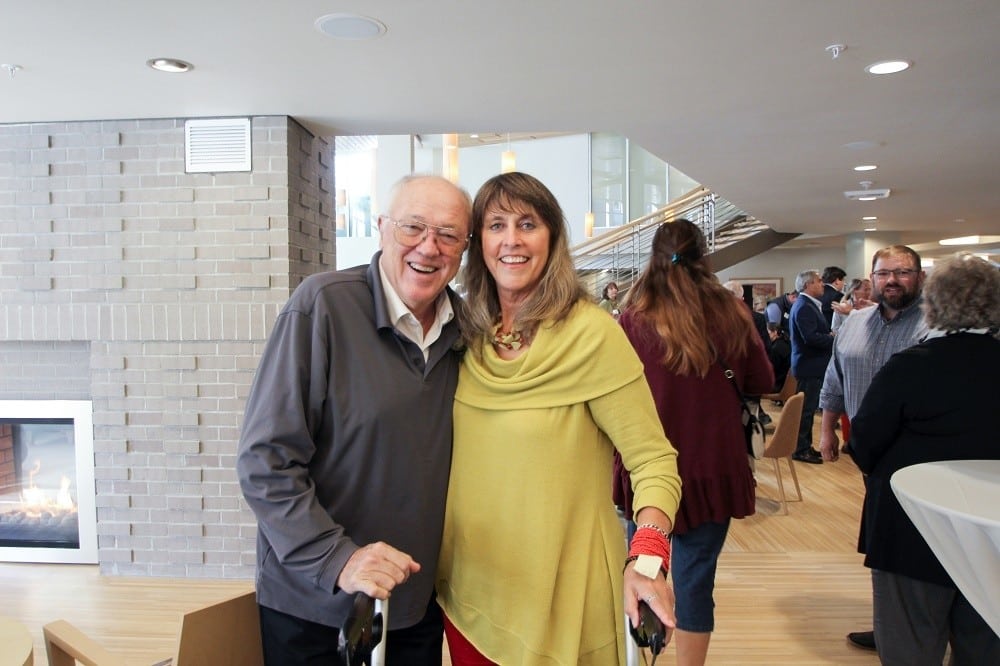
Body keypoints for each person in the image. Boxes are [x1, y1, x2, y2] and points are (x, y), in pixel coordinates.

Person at [435, 172, 682, 665]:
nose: (511, 239)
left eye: (527, 223)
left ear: (551, 238)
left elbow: (654, 461)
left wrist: (649, 560)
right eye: (496, 224)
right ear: (477, 241)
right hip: (471, 591)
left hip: (566, 595)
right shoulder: (465, 335)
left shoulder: (591, 335)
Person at [236, 174, 472, 665]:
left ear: (464, 249)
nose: (428, 247)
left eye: (448, 234)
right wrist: (339, 558)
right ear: (382, 228)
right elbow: (265, 462)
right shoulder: (322, 306)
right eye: (413, 227)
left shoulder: (468, 332)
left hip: (412, 607)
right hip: (313, 607)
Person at [622, 223, 773, 666]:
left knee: (646, 568)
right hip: (714, 467)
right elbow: (762, 380)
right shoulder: (732, 312)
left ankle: (644, 657)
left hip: (647, 471)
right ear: (703, 256)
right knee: (696, 579)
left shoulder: (631, 319)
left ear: (653, 258)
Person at [848, 252, 1000, 665]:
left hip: (912, 528)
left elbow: (864, 442)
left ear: (933, 305)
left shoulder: (911, 368)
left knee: (910, 646)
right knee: (985, 645)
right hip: (990, 534)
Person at [818, 245, 929, 652]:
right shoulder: (856, 322)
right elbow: (835, 377)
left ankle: (922, 631)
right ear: (872, 278)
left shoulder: (934, 326)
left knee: (920, 545)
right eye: (884, 274)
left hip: (921, 453)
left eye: (902, 272)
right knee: (883, 542)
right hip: (868, 453)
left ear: (919, 277)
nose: (892, 281)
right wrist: (827, 430)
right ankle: (891, 628)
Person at [788, 269, 833, 464]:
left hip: (811, 365)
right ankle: (800, 449)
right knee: (805, 410)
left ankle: (805, 446)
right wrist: (833, 338)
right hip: (809, 365)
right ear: (807, 285)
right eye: (818, 281)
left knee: (808, 409)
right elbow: (811, 338)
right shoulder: (804, 306)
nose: (822, 284)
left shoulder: (808, 305)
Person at [766, 321, 791, 394]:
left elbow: (772, 370)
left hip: (778, 384)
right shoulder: (785, 342)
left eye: (768, 332)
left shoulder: (775, 348)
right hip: (784, 382)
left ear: (775, 332)